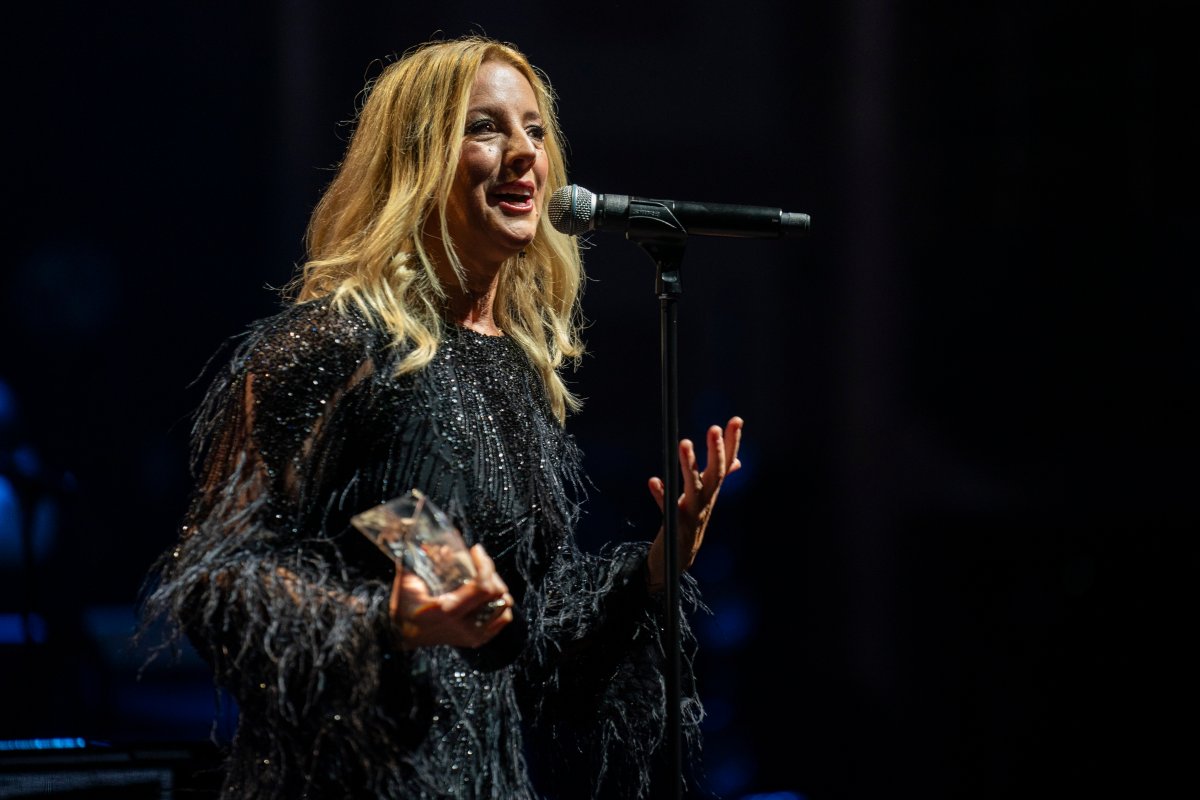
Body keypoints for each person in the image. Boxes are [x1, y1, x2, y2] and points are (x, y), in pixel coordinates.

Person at [141, 34, 743, 800]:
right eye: (485, 127)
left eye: (534, 128)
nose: (524, 151)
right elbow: (219, 579)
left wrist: (661, 563)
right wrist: (387, 621)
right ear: (416, 162)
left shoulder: (514, 368)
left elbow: (521, 639)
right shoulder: (334, 343)